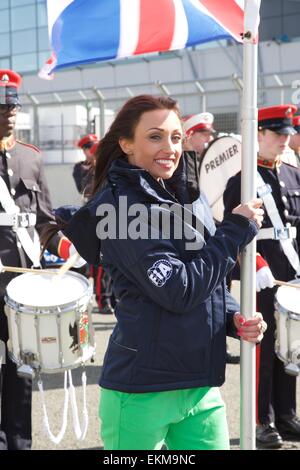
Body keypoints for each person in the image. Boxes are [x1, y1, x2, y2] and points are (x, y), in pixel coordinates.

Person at [59, 94, 267, 450]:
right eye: (154, 136)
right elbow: (178, 288)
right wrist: (234, 230)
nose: (169, 147)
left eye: (175, 137)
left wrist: (233, 317)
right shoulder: (119, 208)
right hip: (142, 390)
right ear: (126, 143)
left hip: (200, 387)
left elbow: (207, 277)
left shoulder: (187, 193)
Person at [0, 69, 83, 450]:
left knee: (22, 365)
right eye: (3, 107)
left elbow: (46, 223)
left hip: (24, 284)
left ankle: (18, 442)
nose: (9, 113)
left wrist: (68, 249)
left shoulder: (30, 159)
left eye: (13, 106)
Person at [223, 104, 300, 449]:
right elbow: (232, 231)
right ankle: (261, 419)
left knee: (291, 344)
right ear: (259, 135)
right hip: (263, 270)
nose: (284, 140)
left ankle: (286, 414)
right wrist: (255, 267)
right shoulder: (242, 180)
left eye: (287, 134)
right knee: (265, 346)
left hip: (293, 270)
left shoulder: (293, 174)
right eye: (277, 134)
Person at [183, 112, 240, 364]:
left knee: (221, 288)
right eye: (203, 134)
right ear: (189, 135)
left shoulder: (200, 159)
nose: (208, 139)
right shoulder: (184, 161)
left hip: (211, 227)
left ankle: (219, 341)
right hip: (193, 234)